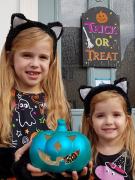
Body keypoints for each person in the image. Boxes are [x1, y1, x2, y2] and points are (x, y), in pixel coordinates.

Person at [0, 13, 88, 180]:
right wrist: (14, 160)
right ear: (10, 57)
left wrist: (75, 167)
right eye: (27, 55)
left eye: (43, 57)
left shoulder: (58, 104)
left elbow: (64, 153)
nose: (35, 63)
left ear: (51, 62)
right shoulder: (2, 100)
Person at [79, 78, 135, 180]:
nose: (109, 121)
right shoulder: (82, 156)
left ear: (127, 120)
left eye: (116, 115)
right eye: (100, 116)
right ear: (90, 121)